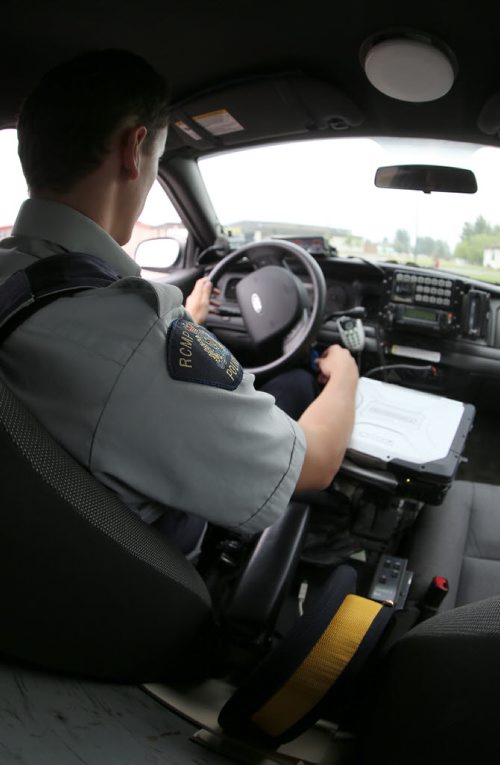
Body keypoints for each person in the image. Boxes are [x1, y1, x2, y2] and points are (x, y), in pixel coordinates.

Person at [0, 49, 358, 554]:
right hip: (148, 588)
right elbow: (316, 463)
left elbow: (109, 363)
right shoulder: (136, 338)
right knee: (300, 383)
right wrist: (346, 376)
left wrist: (187, 324)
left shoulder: (17, 275)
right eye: (159, 162)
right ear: (133, 147)